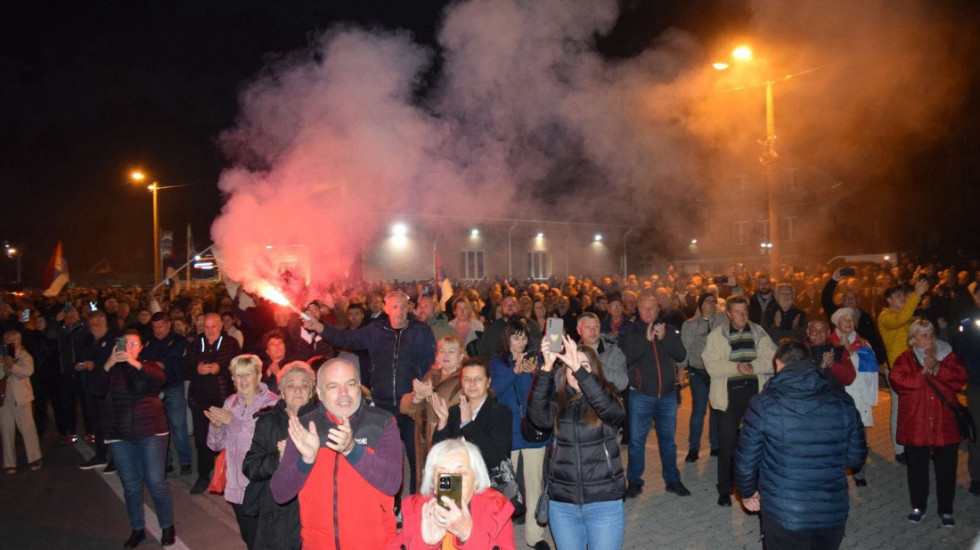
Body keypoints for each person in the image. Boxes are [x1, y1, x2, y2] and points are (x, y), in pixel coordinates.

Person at [735, 340, 867, 550]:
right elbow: (856, 458)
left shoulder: (763, 405)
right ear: (810, 362)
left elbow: (746, 461)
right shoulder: (843, 402)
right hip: (831, 513)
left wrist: (748, 493)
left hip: (784, 513)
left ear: (778, 364)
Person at [304, 290, 435, 493]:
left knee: (415, 456)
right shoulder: (375, 331)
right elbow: (344, 338)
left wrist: (425, 386)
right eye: (394, 306)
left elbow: (430, 364)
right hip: (382, 404)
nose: (399, 311)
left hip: (411, 403)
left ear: (408, 307)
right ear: (386, 309)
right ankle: (391, 504)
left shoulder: (421, 331)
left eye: (402, 306)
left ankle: (415, 501)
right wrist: (320, 327)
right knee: (382, 456)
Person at [270, 358, 402, 549]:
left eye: (350, 384)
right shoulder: (305, 427)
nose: (344, 393)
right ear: (319, 393)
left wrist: (352, 450)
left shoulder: (382, 423)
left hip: (374, 543)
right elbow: (280, 493)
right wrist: (306, 460)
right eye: (333, 386)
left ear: (359, 387)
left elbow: (392, 484)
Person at [528, 334, 626, 550]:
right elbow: (537, 417)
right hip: (562, 505)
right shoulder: (559, 402)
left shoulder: (608, 395)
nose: (575, 370)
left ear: (593, 370)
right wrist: (547, 366)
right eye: (570, 365)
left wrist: (579, 370)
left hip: (603, 501)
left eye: (583, 365)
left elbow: (614, 414)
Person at [91, 330, 175, 548]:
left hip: (152, 430)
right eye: (124, 343)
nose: (128, 347)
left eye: (133, 344)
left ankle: (167, 525)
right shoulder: (110, 369)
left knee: (156, 482)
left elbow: (160, 379)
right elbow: (96, 389)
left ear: (140, 347)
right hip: (120, 434)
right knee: (130, 485)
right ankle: (137, 528)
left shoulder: (148, 366)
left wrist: (133, 362)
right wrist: (109, 362)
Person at [890, 319, 968, 527]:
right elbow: (898, 382)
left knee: (946, 469)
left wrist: (939, 368)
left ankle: (946, 510)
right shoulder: (905, 359)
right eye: (923, 335)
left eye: (931, 334)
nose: (929, 339)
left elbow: (960, 378)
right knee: (917, 470)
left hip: (945, 424)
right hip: (917, 423)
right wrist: (923, 372)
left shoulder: (947, 355)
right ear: (913, 339)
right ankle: (918, 507)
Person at [703, 294, 776, 507]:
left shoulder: (759, 332)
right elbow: (712, 366)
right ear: (728, 313)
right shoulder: (717, 335)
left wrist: (752, 367)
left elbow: (772, 360)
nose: (742, 315)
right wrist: (737, 367)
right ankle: (725, 489)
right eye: (737, 311)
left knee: (754, 444)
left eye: (744, 311)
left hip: (755, 395)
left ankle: (752, 486)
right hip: (727, 396)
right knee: (727, 445)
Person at [620, 292, 690, 498]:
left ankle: (672, 480)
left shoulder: (667, 329)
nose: (648, 311)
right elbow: (626, 357)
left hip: (667, 395)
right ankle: (634, 481)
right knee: (636, 442)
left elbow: (681, 355)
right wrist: (646, 340)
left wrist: (665, 338)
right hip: (640, 395)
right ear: (637, 309)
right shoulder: (633, 331)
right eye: (643, 307)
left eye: (651, 307)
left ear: (658, 309)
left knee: (668, 441)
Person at [243, 361, 319, 550]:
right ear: (282, 392)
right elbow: (250, 467)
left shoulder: (322, 422)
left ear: (312, 392)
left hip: (312, 509)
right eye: (291, 385)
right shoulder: (268, 422)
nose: (298, 390)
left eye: (304, 385)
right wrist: (278, 457)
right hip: (276, 511)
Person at [387, 438, 515, 550]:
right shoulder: (418, 508)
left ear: (476, 479)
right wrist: (424, 544)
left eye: (460, 474)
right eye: (444, 475)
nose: (452, 482)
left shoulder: (496, 508)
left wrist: (469, 535)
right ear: (433, 482)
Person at [489, 318, 550, 550]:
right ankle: (502, 537)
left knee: (534, 483)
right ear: (507, 339)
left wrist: (537, 373)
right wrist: (515, 370)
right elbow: (494, 389)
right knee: (506, 486)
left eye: (524, 337)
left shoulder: (536, 359)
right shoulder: (497, 360)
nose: (521, 341)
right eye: (516, 337)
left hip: (532, 430)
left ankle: (535, 536)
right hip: (507, 431)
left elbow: (547, 390)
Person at [206, 354, 279, 549]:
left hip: (263, 484)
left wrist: (233, 422)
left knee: (264, 540)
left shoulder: (272, 403)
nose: (243, 380)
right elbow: (216, 446)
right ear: (232, 379)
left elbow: (264, 441)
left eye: (248, 374)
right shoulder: (230, 402)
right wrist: (216, 428)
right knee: (249, 537)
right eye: (238, 375)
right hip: (237, 482)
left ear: (259, 375)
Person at [432, 357, 516, 513]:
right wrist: (443, 422)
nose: (472, 384)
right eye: (467, 379)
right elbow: (438, 453)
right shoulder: (454, 411)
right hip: (451, 481)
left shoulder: (501, 413)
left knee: (480, 533)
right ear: (461, 383)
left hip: (485, 483)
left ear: (488, 382)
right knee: (449, 528)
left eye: (478, 379)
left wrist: (468, 425)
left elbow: (496, 455)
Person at [183, 312, 242, 494]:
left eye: (213, 326)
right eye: (206, 326)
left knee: (225, 439)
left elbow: (239, 367)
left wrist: (221, 369)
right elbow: (183, 368)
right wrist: (197, 369)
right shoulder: (195, 343)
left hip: (223, 400)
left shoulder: (231, 343)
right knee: (202, 440)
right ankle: (203, 475)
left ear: (220, 326)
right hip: (200, 401)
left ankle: (227, 476)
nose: (209, 330)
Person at [400, 334, 466, 488]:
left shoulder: (463, 380)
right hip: (424, 440)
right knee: (427, 488)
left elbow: (452, 410)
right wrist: (417, 398)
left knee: (447, 490)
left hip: (448, 440)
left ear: (461, 356)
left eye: (451, 351)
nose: (445, 355)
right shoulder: (431, 376)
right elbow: (405, 408)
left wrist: (429, 396)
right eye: (442, 351)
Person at [878, 279, 930, 465]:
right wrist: (916, 295)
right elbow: (899, 320)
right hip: (897, 371)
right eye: (898, 296)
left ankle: (917, 444)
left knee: (916, 408)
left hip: (913, 369)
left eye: (903, 295)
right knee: (899, 410)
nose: (902, 299)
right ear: (889, 300)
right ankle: (900, 450)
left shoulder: (907, 316)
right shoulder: (885, 316)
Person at [828, 308, 878, 486]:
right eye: (845, 320)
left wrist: (852, 354)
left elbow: (870, 367)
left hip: (858, 393)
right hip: (838, 393)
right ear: (837, 323)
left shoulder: (863, 344)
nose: (849, 323)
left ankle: (859, 471)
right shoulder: (829, 343)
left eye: (851, 320)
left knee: (859, 435)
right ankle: (837, 474)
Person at [140, 312, 191, 476]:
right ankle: (166, 461)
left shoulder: (178, 341)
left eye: (161, 327)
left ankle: (185, 461)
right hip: (154, 389)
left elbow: (176, 364)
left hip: (172, 386)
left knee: (178, 426)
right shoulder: (148, 341)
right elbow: (143, 362)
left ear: (168, 325)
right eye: (155, 327)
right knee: (160, 428)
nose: (158, 331)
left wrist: (156, 365)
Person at [680, 293, 725, 462]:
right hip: (698, 371)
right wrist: (680, 368)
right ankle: (694, 447)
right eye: (708, 301)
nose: (712, 304)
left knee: (715, 408)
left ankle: (715, 445)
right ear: (700, 305)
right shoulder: (690, 325)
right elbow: (685, 348)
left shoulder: (721, 321)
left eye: (714, 301)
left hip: (716, 372)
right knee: (698, 410)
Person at [952, 284, 980, 496]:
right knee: (977, 431)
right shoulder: (969, 318)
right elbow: (962, 348)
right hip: (977, 383)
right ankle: (977, 477)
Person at [1, 330, 42, 474]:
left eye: (13, 340)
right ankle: (9, 462)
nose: (10, 342)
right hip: (4, 398)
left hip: (21, 397)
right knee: (6, 431)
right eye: (7, 339)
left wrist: (12, 366)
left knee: (27, 429)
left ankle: (34, 457)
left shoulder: (24, 356)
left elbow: (27, 371)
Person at [260, 330, 291, 395]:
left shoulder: (292, 365)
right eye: (273, 344)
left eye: (280, 343)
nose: (277, 346)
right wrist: (268, 372)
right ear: (267, 351)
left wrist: (278, 373)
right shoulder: (262, 368)